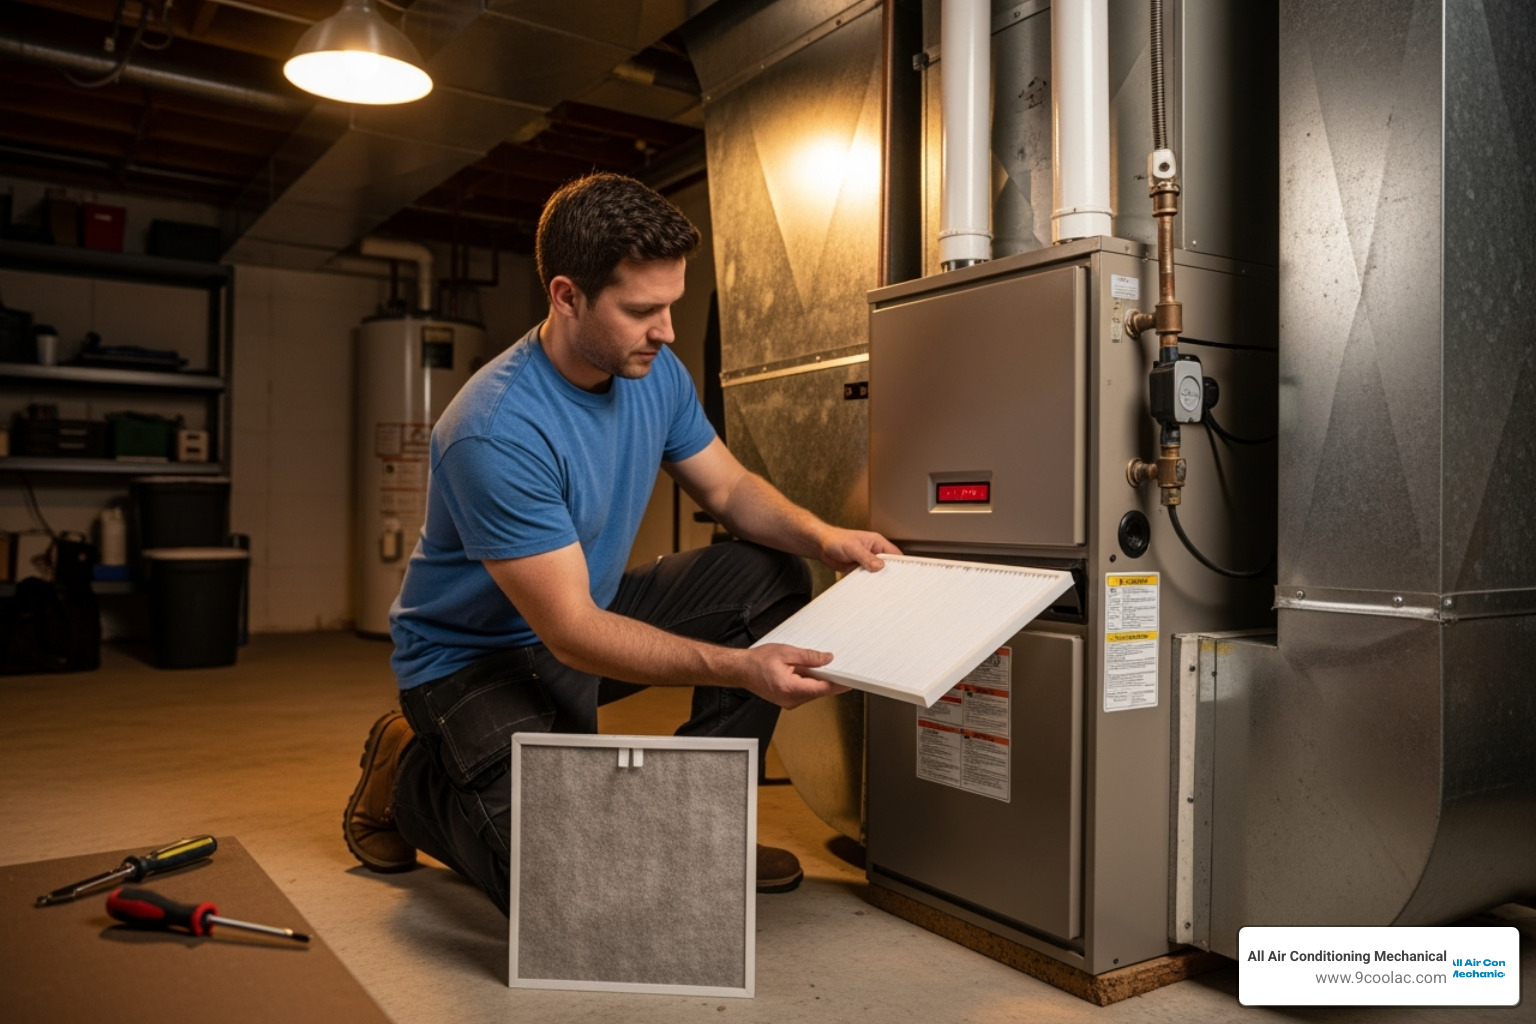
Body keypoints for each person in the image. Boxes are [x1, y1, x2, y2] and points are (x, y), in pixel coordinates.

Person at [343, 173, 899, 909]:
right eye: (642, 310)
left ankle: (698, 830)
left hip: (581, 615)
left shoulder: (653, 371)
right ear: (567, 296)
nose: (666, 331)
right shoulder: (495, 430)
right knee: (568, 893)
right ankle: (406, 772)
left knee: (767, 572)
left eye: (671, 305)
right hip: (476, 662)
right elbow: (571, 634)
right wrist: (742, 668)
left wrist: (825, 537)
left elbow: (729, 491)